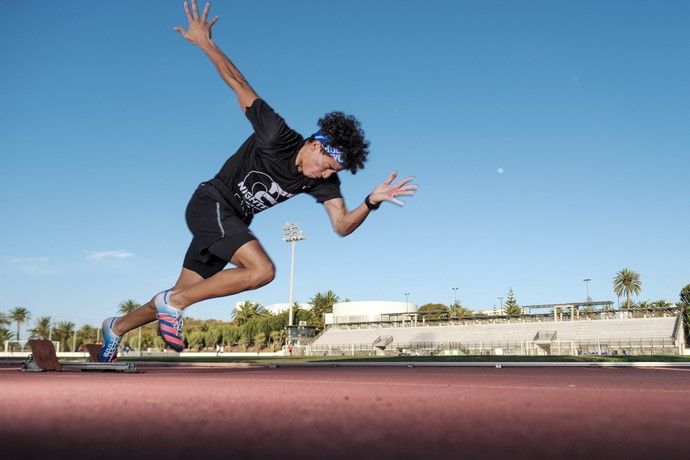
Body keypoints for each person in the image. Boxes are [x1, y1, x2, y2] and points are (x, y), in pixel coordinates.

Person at [98, 0, 417, 362]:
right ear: (316, 144)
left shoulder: (320, 184)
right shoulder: (275, 134)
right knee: (261, 271)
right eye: (327, 165)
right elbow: (238, 82)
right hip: (211, 204)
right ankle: (175, 304)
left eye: (334, 174)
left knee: (183, 289)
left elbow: (342, 226)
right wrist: (205, 42)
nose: (327, 176)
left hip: (230, 224)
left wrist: (371, 202)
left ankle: (117, 325)